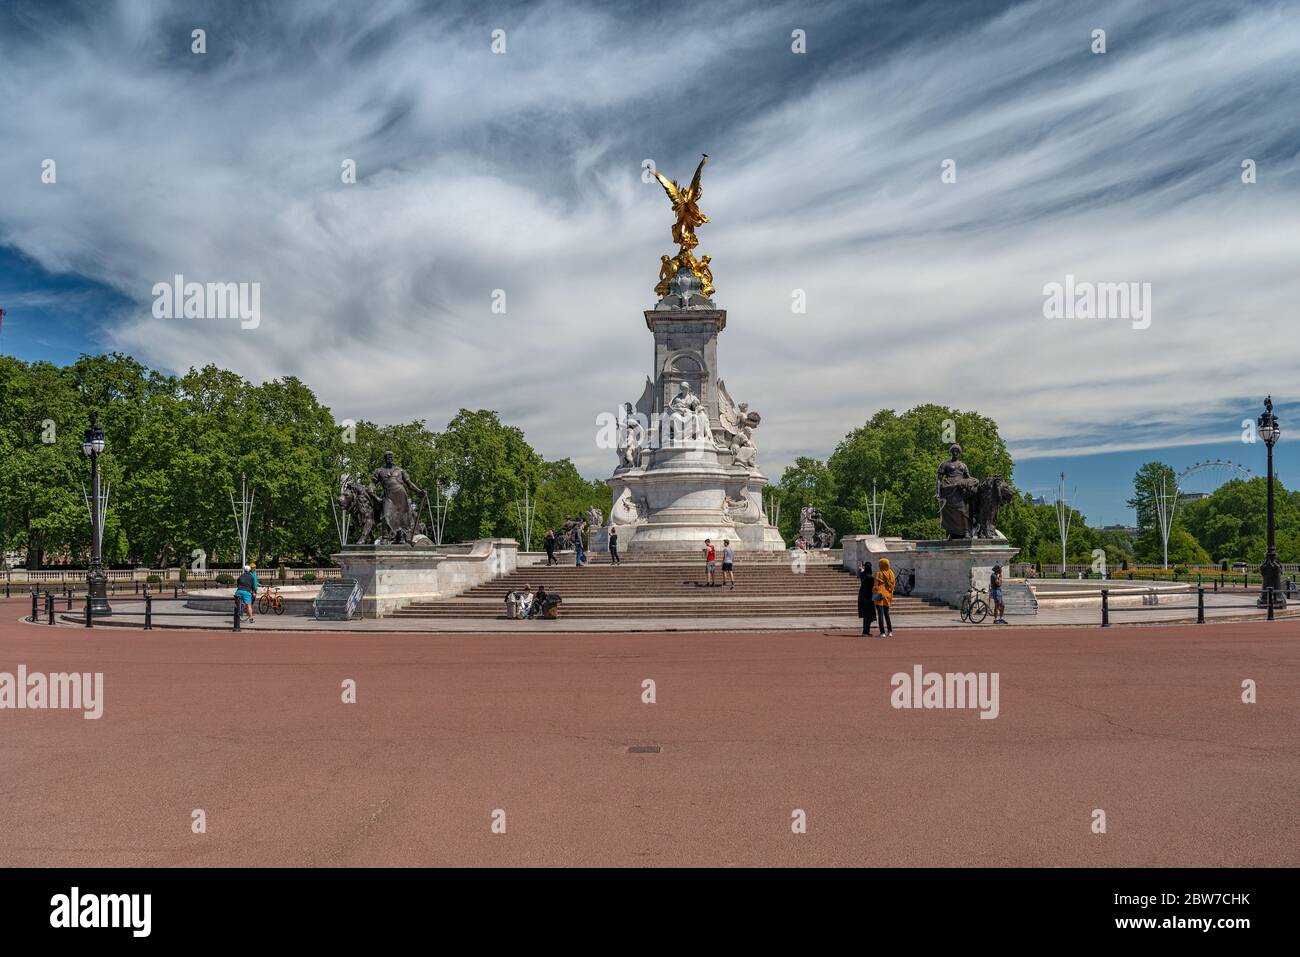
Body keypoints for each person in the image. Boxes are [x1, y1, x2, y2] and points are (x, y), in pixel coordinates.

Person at [874, 557, 896, 638]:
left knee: (880, 614)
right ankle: (890, 631)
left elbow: (876, 585)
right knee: (887, 614)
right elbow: (893, 585)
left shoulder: (879, 573)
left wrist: (874, 592)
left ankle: (882, 632)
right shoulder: (891, 573)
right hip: (888, 595)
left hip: (879, 594)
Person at [857, 560, 875, 636]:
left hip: (861, 595)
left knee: (866, 615)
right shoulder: (870, 577)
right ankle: (865, 631)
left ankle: (866, 631)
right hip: (868, 596)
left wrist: (861, 568)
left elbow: (861, 571)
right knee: (869, 615)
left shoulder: (862, 575)